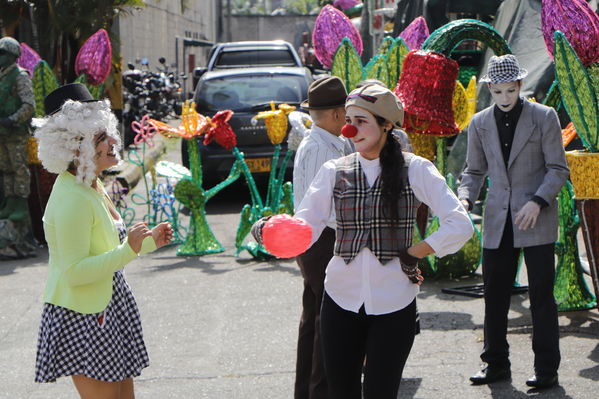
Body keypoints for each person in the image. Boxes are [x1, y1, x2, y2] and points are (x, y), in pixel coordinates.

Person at [255, 84, 473, 398]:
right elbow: (307, 225)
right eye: (349, 119)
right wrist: (272, 230)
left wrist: (415, 252)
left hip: (394, 304)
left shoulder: (416, 169)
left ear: (386, 124)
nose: (349, 129)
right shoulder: (334, 170)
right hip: (340, 302)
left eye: (361, 121)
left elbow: (459, 224)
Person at [33, 83, 174, 398]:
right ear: (75, 146)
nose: (113, 141)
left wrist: (149, 241)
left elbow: (109, 248)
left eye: (107, 132)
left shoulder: (89, 185)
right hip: (84, 315)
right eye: (101, 138)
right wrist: (129, 250)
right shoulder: (72, 198)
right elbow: (75, 271)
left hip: (106, 309)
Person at [457, 55, 569, 389]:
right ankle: (495, 364)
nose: (505, 98)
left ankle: (547, 370)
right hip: (497, 218)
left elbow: (558, 169)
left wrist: (538, 200)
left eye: (511, 91)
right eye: (498, 92)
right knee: (494, 295)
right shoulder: (478, 123)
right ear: (490, 88)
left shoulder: (544, 117)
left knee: (541, 297)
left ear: (520, 86)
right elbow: (474, 171)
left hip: (536, 216)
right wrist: (464, 199)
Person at [292, 76, 352, 399]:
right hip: (320, 239)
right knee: (326, 326)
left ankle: (308, 391)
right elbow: (323, 207)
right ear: (334, 115)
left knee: (314, 322)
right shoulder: (319, 147)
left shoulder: (328, 142)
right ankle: (320, 392)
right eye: (345, 111)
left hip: (314, 238)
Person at [0, 36, 35, 222]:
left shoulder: (20, 76)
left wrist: (12, 119)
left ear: (13, 55)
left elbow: (29, 105)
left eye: (3, 53)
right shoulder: (2, 75)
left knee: (19, 169)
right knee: (6, 169)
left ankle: (20, 205)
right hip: (3, 133)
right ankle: (11, 203)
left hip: (16, 132)